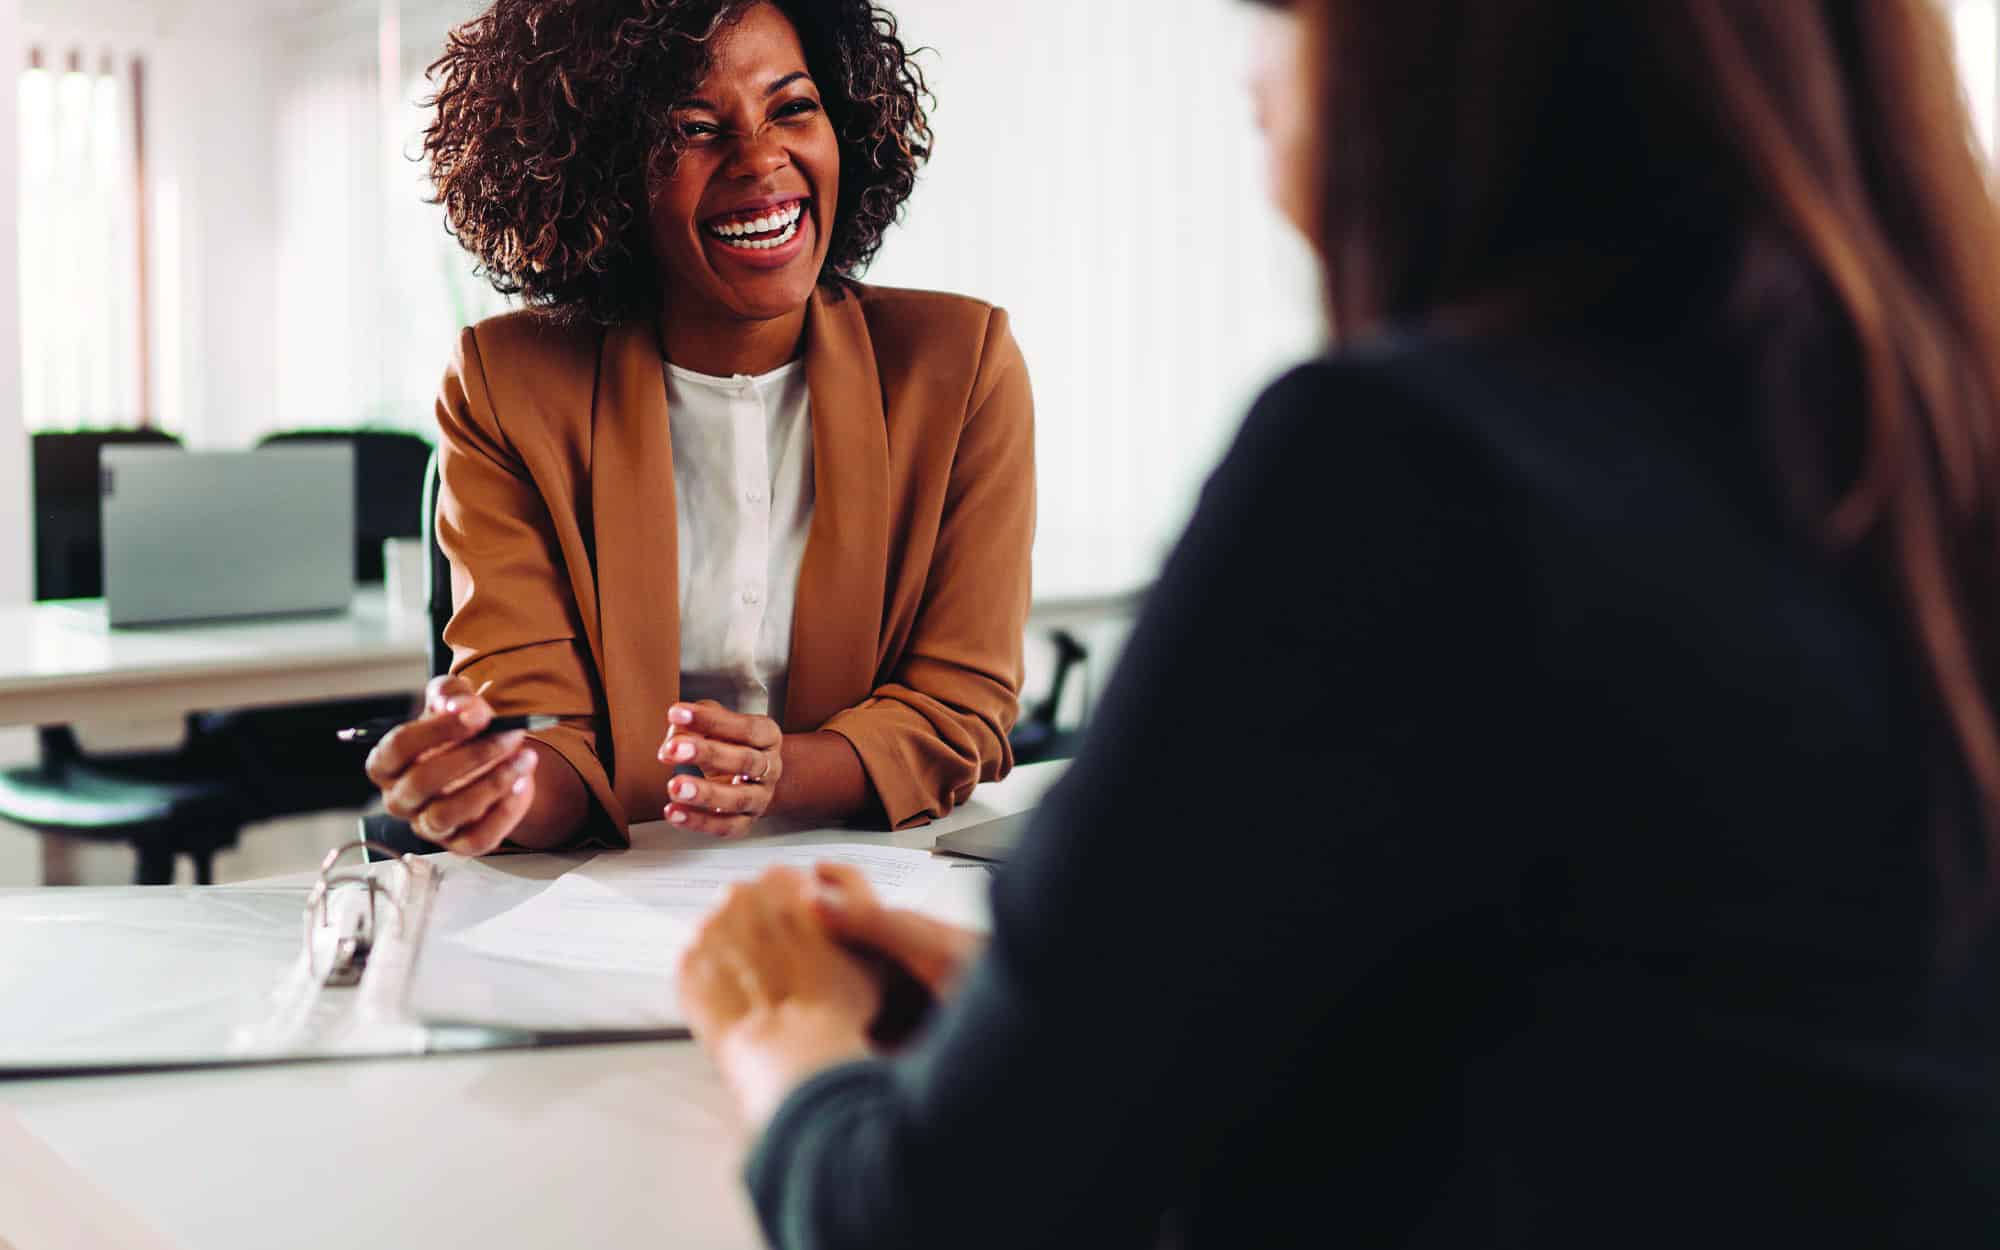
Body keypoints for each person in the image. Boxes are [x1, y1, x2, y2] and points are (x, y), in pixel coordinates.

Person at [678, 1, 2000, 1244]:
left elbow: (941, 1217)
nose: (1250, 66)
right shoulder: (1926, 463)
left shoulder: (1398, 473)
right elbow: (1643, 1058)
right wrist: (1067, 1012)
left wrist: (782, 1029)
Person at [361, 0, 1035, 854]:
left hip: (871, 873)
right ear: (601, 166)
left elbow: (960, 708)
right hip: (608, 896)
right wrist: (498, 784)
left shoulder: (959, 364)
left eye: (793, 108)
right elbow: (544, 725)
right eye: (691, 128)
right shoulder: (510, 386)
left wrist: (782, 772)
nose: (760, 160)